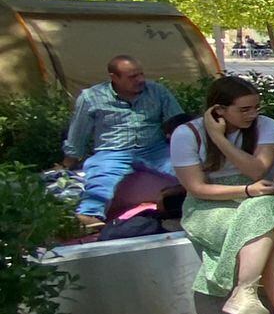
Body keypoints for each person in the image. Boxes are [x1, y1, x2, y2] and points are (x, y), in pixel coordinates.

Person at [171, 76, 274, 314]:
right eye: (244, 110)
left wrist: (222, 142)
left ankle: (246, 291)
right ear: (218, 111)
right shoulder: (186, 134)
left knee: (268, 207)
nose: (252, 115)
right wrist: (244, 189)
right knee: (270, 225)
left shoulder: (266, 126)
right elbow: (196, 188)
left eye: (256, 108)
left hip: (255, 197)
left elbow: (256, 170)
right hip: (208, 205)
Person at [61, 55, 183, 226]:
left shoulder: (157, 91)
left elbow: (178, 123)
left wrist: (189, 149)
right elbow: (78, 133)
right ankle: (90, 216)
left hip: (154, 149)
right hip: (112, 151)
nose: (140, 80)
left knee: (186, 169)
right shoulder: (91, 97)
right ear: (114, 78)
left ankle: (199, 205)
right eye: (132, 77)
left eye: (141, 74)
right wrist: (69, 161)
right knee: (101, 176)